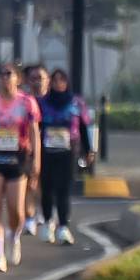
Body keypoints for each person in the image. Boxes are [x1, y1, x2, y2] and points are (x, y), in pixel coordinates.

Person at [0, 62, 41, 272]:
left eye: (9, 74)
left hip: (18, 157)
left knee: (16, 210)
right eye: (1, 74)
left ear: (18, 78)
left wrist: (36, 161)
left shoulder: (27, 102)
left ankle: (14, 236)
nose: (5, 78)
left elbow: (34, 133)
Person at [36, 66, 85, 242]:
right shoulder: (41, 103)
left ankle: (63, 226)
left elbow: (83, 126)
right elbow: (35, 127)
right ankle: (48, 221)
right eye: (55, 80)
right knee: (47, 189)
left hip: (67, 152)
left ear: (67, 82)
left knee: (64, 190)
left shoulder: (76, 103)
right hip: (46, 152)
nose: (58, 83)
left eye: (61, 80)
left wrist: (88, 150)